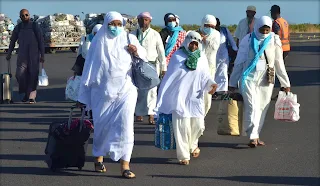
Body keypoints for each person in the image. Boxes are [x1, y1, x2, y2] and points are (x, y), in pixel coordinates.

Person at [77, 11, 147, 179]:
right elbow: (88, 71)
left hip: (126, 91)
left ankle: (125, 165)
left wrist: (135, 51)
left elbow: (145, 57)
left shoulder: (129, 39)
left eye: (118, 24)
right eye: (112, 24)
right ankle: (98, 158)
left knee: (126, 127)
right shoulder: (97, 42)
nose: (115, 27)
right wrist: (82, 97)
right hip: (102, 93)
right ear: (106, 24)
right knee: (101, 127)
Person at [154, 31, 218, 165]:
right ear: (187, 42)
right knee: (182, 127)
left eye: (196, 44)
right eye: (191, 44)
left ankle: (193, 145)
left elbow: (205, 76)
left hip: (195, 97)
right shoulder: (178, 56)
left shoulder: (202, 58)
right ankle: (183, 156)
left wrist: (211, 84)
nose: (193, 47)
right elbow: (170, 79)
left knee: (199, 126)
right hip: (179, 97)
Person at [229, 16, 291, 147]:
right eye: (262, 29)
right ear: (257, 27)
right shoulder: (248, 39)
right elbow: (239, 62)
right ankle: (252, 136)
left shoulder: (274, 40)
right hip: (248, 78)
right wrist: (232, 83)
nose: (264, 32)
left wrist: (285, 83)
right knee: (252, 106)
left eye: (267, 30)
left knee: (262, 108)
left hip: (266, 79)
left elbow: (279, 63)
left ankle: (256, 135)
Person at [132, 12, 166, 124]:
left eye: (146, 20)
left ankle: (151, 113)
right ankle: (139, 113)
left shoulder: (155, 34)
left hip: (151, 65)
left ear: (150, 21)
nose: (144, 22)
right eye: (141, 19)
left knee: (152, 90)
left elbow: (161, 52)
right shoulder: (133, 34)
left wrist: (163, 67)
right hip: (137, 64)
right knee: (139, 89)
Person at [6, 9, 45, 104]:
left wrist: (42, 55)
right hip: (22, 56)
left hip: (34, 55)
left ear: (29, 15)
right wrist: (9, 53)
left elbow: (40, 41)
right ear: (20, 17)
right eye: (23, 16)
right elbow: (12, 41)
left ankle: (31, 97)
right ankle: (26, 92)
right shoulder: (18, 27)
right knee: (19, 75)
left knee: (33, 75)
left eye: (26, 15)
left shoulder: (35, 26)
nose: (25, 17)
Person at [197, 14, 220, 115]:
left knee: (207, 94)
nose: (209, 28)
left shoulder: (216, 34)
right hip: (196, 68)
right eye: (207, 26)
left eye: (212, 26)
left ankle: (202, 116)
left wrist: (205, 40)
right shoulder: (195, 33)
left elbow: (214, 47)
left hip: (210, 68)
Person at [271, 5, 291, 99]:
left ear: (274, 12)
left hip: (280, 48)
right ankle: (283, 90)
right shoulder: (285, 21)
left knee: (278, 69)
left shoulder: (276, 23)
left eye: (271, 12)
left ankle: (283, 90)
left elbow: (277, 37)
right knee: (281, 69)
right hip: (287, 47)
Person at [215, 18, 238, 94]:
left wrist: (235, 50)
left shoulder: (224, 30)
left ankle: (223, 90)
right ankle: (214, 90)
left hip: (223, 55)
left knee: (223, 71)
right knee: (213, 72)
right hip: (213, 55)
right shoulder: (208, 32)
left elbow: (231, 40)